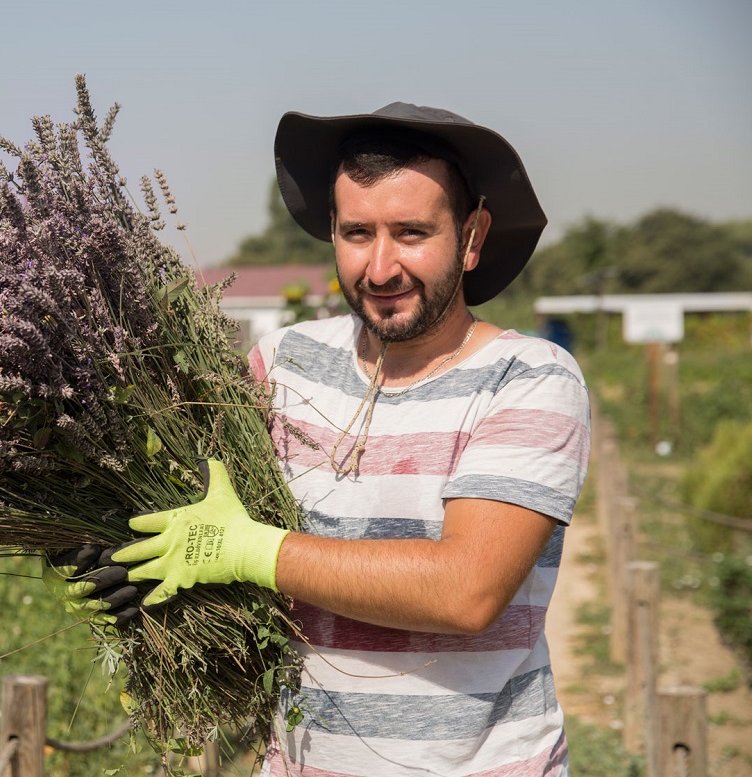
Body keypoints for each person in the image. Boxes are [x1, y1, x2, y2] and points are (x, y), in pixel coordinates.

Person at [58, 103, 590, 776]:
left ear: (473, 235)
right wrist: (123, 554)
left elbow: (466, 591)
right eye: (358, 233)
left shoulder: (528, 379)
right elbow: (208, 532)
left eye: (412, 233)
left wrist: (255, 551)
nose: (380, 267)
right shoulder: (282, 361)